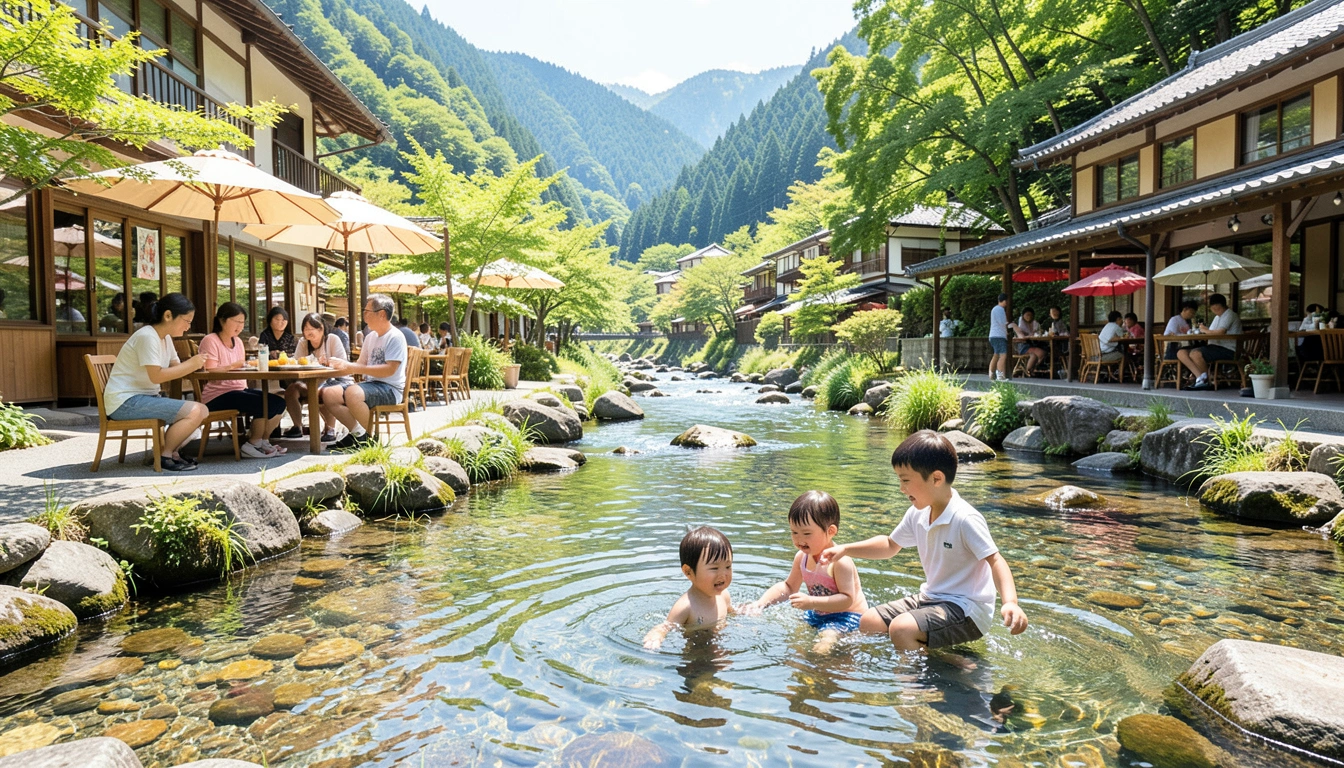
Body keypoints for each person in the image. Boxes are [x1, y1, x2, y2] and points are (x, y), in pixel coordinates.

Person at [818, 431, 1028, 653]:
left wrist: (1010, 602)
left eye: (906, 480)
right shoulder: (917, 513)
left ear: (936, 478)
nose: (901, 488)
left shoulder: (965, 518)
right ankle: (947, 659)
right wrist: (846, 549)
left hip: (967, 609)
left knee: (901, 628)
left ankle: (914, 681)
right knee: (869, 621)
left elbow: (995, 561)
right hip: (931, 598)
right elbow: (890, 545)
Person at [740, 491, 868, 653]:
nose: (799, 539)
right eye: (794, 532)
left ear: (830, 531)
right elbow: (788, 587)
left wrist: (811, 601)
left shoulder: (840, 561)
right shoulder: (802, 557)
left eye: (807, 533)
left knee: (826, 639)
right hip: (818, 613)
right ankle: (800, 667)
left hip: (848, 616)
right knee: (795, 639)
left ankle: (820, 660)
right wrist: (760, 604)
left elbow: (847, 599)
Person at [102, 293, 210, 472]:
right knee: (194, 411)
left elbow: (176, 367)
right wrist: (191, 364)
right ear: (168, 316)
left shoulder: (165, 337)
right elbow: (157, 376)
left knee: (202, 410)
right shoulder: (147, 336)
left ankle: (172, 452)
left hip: (143, 398)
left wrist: (196, 365)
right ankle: (165, 456)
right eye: (186, 320)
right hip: (125, 402)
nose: (188, 326)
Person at [198, 303, 286, 458]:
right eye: (236, 321)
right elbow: (209, 370)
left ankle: (262, 442)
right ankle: (251, 444)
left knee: (279, 402)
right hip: (217, 395)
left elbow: (241, 366)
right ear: (222, 320)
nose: (240, 326)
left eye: (242, 322)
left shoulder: (237, 341)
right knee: (263, 404)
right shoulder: (210, 340)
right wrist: (233, 365)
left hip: (238, 389)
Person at [324, 294, 407, 451]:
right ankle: (359, 434)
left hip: (391, 389)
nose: (364, 314)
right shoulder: (371, 337)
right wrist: (339, 364)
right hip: (371, 385)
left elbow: (390, 369)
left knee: (353, 392)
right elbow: (360, 364)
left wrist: (352, 367)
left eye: (367, 310)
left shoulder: (395, 337)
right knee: (329, 394)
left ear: (381, 314)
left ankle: (371, 440)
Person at [643, 526, 735, 650]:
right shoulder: (686, 606)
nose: (723, 574)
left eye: (728, 566)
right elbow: (666, 626)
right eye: (714, 568)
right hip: (695, 653)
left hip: (720, 646)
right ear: (688, 572)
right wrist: (657, 635)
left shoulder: (724, 595)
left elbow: (732, 613)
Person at [283, 313, 350, 442]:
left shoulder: (332, 339)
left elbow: (342, 364)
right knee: (292, 390)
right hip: (311, 382)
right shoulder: (303, 343)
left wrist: (327, 362)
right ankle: (297, 427)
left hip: (336, 381)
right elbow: (297, 362)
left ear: (321, 329)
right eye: (305, 329)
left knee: (323, 391)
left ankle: (330, 428)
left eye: (311, 328)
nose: (308, 332)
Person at [1178, 294, 1242, 390]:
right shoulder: (1217, 317)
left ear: (1216, 306)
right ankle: (1200, 377)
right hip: (1215, 347)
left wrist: (1204, 330)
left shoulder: (1230, 315)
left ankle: (1206, 381)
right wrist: (1204, 331)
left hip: (1228, 350)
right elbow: (1210, 332)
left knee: (1195, 354)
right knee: (1181, 353)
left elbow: (1220, 332)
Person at [1011, 307, 1044, 376]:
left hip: (1031, 344)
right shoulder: (1019, 324)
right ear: (1023, 315)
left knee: (1043, 353)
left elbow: (1036, 332)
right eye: (1027, 315)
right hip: (1022, 346)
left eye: (1031, 315)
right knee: (1040, 353)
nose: (1029, 317)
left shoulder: (1034, 323)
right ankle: (1028, 371)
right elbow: (1021, 336)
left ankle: (1032, 369)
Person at [988, 293, 1010, 382]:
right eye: (1007, 301)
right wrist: (1009, 327)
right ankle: (1000, 375)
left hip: (993, 335)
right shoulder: (1000, 309)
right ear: (1004, 301)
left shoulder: (994, 309)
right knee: (1003, 355)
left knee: (996, 355)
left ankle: (991, 373)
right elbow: (1003, 323)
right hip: (999, 335)